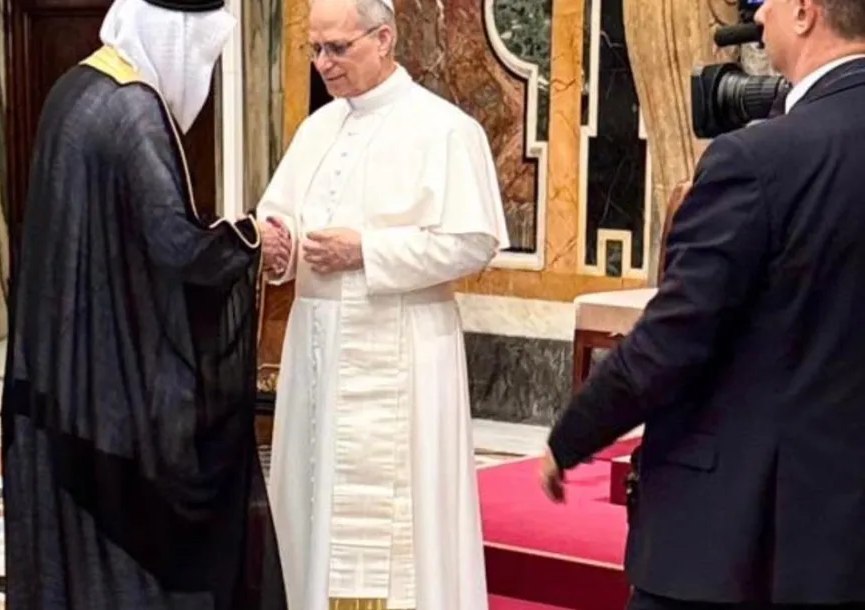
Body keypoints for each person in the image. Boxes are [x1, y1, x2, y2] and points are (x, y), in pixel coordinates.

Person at [541, 1, 865, 609]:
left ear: (805, 12)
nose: (757, 16)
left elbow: (675, 335)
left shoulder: (759, 158)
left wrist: (573, 434)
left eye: (767, 1)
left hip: (742, 536)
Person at [0, 0, 290, 608]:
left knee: (77, 548)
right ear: (176, 36)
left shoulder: (77, 87)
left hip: (64, 372)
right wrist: (250, 239)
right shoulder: (134, 113)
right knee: (133, 538)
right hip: (111, 384)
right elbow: (176, 247)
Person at [257, 0, 510, 608]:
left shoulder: (446, 129)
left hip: (406, 351)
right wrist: (277, 244)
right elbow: (281, 212)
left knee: (406, 521)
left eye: (338, 48)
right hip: (320, 353)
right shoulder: (317, 130)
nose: (323, 64)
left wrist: (367, 251)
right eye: (315, 49)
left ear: (385, 39)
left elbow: (472, 242)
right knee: (315, 504)